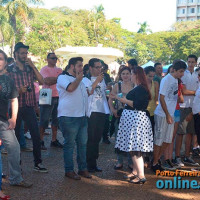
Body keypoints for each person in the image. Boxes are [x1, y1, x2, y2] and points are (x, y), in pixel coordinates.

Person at [8, 42, 47, 173]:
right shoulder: (10, 69)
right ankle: (17, 166)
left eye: (26, 53)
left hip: (29, 106)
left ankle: (38, 163)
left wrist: (33, 66)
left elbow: (42, 82)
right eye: (22, 53)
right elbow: (6, 90)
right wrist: (18, 90)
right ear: (16, 54)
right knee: (16, 139)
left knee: (36, 136)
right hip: (15, 108)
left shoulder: (30, 68)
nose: (25, 55)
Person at [0, 49, 32, 188]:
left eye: (1, 59)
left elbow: (14, 100)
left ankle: (15, 178)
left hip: (4, 121)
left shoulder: (8, 80)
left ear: (6, 63)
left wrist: (13, 118)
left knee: (14, 147)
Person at [115, 66, 153, 184]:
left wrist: (123, 100)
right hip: (133, 119)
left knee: (136, 149)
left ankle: (141, 176)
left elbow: (138, 105)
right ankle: (135, 172)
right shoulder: (139, 87)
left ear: (136, 75)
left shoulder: (140, 88)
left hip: (136, 120)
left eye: (131, 73)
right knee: (132, 147)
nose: (130, 76)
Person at [57, 57, 91, 180]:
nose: (82, 68)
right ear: (72, 66)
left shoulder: (80, 80)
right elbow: (70, 89)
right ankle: (69, 170)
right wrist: (78, 79)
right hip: (68, 116)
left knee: (82, 144)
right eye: (79, 66)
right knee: (69, 145)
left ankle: (82, 168)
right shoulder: (62, 77)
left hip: (82, 116)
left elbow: (86, 94)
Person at [152, 60, 187, 173]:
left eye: (183, 72)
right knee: (159, 139)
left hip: (171, 114)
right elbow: (161, 98)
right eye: (181, 71)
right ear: (174, 70)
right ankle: (155, 163)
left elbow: (174, 97)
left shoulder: (177, 81)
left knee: (167, 140)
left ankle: (156, 160)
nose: (182, 74)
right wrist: (167, 114)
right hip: (163, 114)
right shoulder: (166, 79)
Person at [82, 58, 110, 172]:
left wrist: (108, 89)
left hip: (102, 110)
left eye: (101, 67)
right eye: (97, 67)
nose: (100, 69)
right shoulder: (85, 79)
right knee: (91, 138)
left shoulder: (103, 79)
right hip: (91, 111)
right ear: (91, 68)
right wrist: (97, 81)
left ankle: (94, 162)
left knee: (97, 138)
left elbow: (102, 93)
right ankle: (88, 163)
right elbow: (88, 92)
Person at [175, 55, 200, 167]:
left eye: (192, 62)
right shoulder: (183, 74)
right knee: (181, 133)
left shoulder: (196, 75)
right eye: (189, 62)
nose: (190, 64)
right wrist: (195, 92)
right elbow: (183, 91)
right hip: (183, 106)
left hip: (194, 107)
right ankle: (177, 156)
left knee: (190, 132)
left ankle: (187, 156)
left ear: (195, 63)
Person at [108, 67, 133, 170]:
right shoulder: (117, 86)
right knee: (119, 138)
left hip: (132, 115)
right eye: (123, 73)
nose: (125, 75)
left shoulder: (134, 86)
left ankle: (131, 162)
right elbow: (110, 98)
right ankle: (119, 161)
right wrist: (113, 110)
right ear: (120, 75)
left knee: (130, 139)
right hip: (119, 115)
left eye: (127, 73)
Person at [39, 53, 63, 150]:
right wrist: (58, 79)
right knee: (44, 119)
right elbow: (46, 81)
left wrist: (54, 80)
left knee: (55, 120)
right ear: (47, 59)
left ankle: (54, 140)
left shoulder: (59, 70)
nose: (55, 60)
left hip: (58, 96)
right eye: (53, 58)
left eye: (56, 58)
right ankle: (40, 140)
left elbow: (52, 80)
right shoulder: (44, 69)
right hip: (47, 95)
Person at [163, 64, 184, 170]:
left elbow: (181, 99)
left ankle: (169, 159)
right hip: (169, 111)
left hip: (175, 111)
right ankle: (167, 159)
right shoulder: (167, 81)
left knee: (171, 137)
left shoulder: (178, 82)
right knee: (168, 137)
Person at [144, 66, 159, 134]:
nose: (151, 78)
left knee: (151, 133)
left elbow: (156, 99)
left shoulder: (155, 84)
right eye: (150, 76)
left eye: (153, 76)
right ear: (145, 74)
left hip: (152, 112)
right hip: (142, 112)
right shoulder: (140, 84)